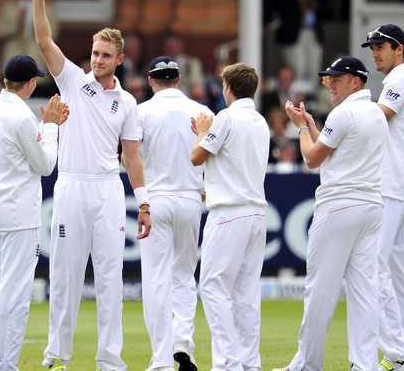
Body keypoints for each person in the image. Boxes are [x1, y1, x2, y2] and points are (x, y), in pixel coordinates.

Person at [32, 0, 151, 370]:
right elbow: (45, 42)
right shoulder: (72, 81)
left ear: (118, 59)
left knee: (110, 278)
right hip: (71, 186)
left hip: (107, 191)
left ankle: (109, 359)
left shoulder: (128, 102)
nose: (96, 60)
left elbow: (132, 158)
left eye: (104, 55)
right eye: (94, 53)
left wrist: (144, 203)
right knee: (64, 276)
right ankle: (56, 355)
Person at [272, 56, 388, 371]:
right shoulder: (376, 113)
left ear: (356, 81)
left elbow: (312, 158)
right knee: (364, 291)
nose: (330, 85)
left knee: (320, 290)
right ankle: (366, 365)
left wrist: (300, 129)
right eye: (329, 78)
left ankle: (307, 364)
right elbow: (337, 146)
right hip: (371, 207)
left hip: (339, 206)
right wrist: (311, 124)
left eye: (336, 79)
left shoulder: (344, 113)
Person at [0, 55, 68, 371]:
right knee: (14, 295)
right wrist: (52, 127)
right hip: (17, 214)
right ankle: (2, 365)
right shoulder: (21, 116)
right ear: (30, 83)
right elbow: (45, 165)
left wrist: (44, 127)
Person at [190, 63, 269, 371]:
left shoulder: (226, 117)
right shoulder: (260, 121)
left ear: (228, 89)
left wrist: (201, 133)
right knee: (246, 291)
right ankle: (249, 362)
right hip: (255, 213)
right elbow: (230, 160)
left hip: (229, 214)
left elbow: (197, 156)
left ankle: (228, 362)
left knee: (212, 286)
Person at [138, 56, 212, 371]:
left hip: (157, 197)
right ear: (178, 79)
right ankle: (183, 344)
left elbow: (132, 157)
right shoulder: (203, 112)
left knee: (156, 279)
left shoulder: (141, 112)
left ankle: (161, 359)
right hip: (190, 198)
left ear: (152, 80)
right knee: (183, 276)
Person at [361, 24, 404, 371]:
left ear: (399, 48)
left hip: (388, 186)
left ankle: (398, 351)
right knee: (400, 275)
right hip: (401, 186)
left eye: (380, 47)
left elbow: (375, 119)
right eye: (372, 47)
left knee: (371, 265)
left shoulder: (400, 81)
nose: (374, 53)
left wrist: (338, 119)